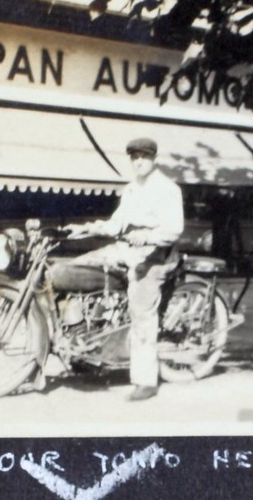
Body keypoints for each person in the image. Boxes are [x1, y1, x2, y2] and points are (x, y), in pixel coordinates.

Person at [65, 137, 184, 401]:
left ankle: (146, 380)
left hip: (154, 256)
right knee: (77, 268)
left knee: (141, 312)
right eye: (134, 157)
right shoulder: (131, 189)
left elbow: (174, 228)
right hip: (126, 250)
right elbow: (116, 224)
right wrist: (87, 228)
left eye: (144, 156)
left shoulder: (167, 189)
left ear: (154, 158)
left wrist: (149, 237)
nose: (139, 161)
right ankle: (86, 345)